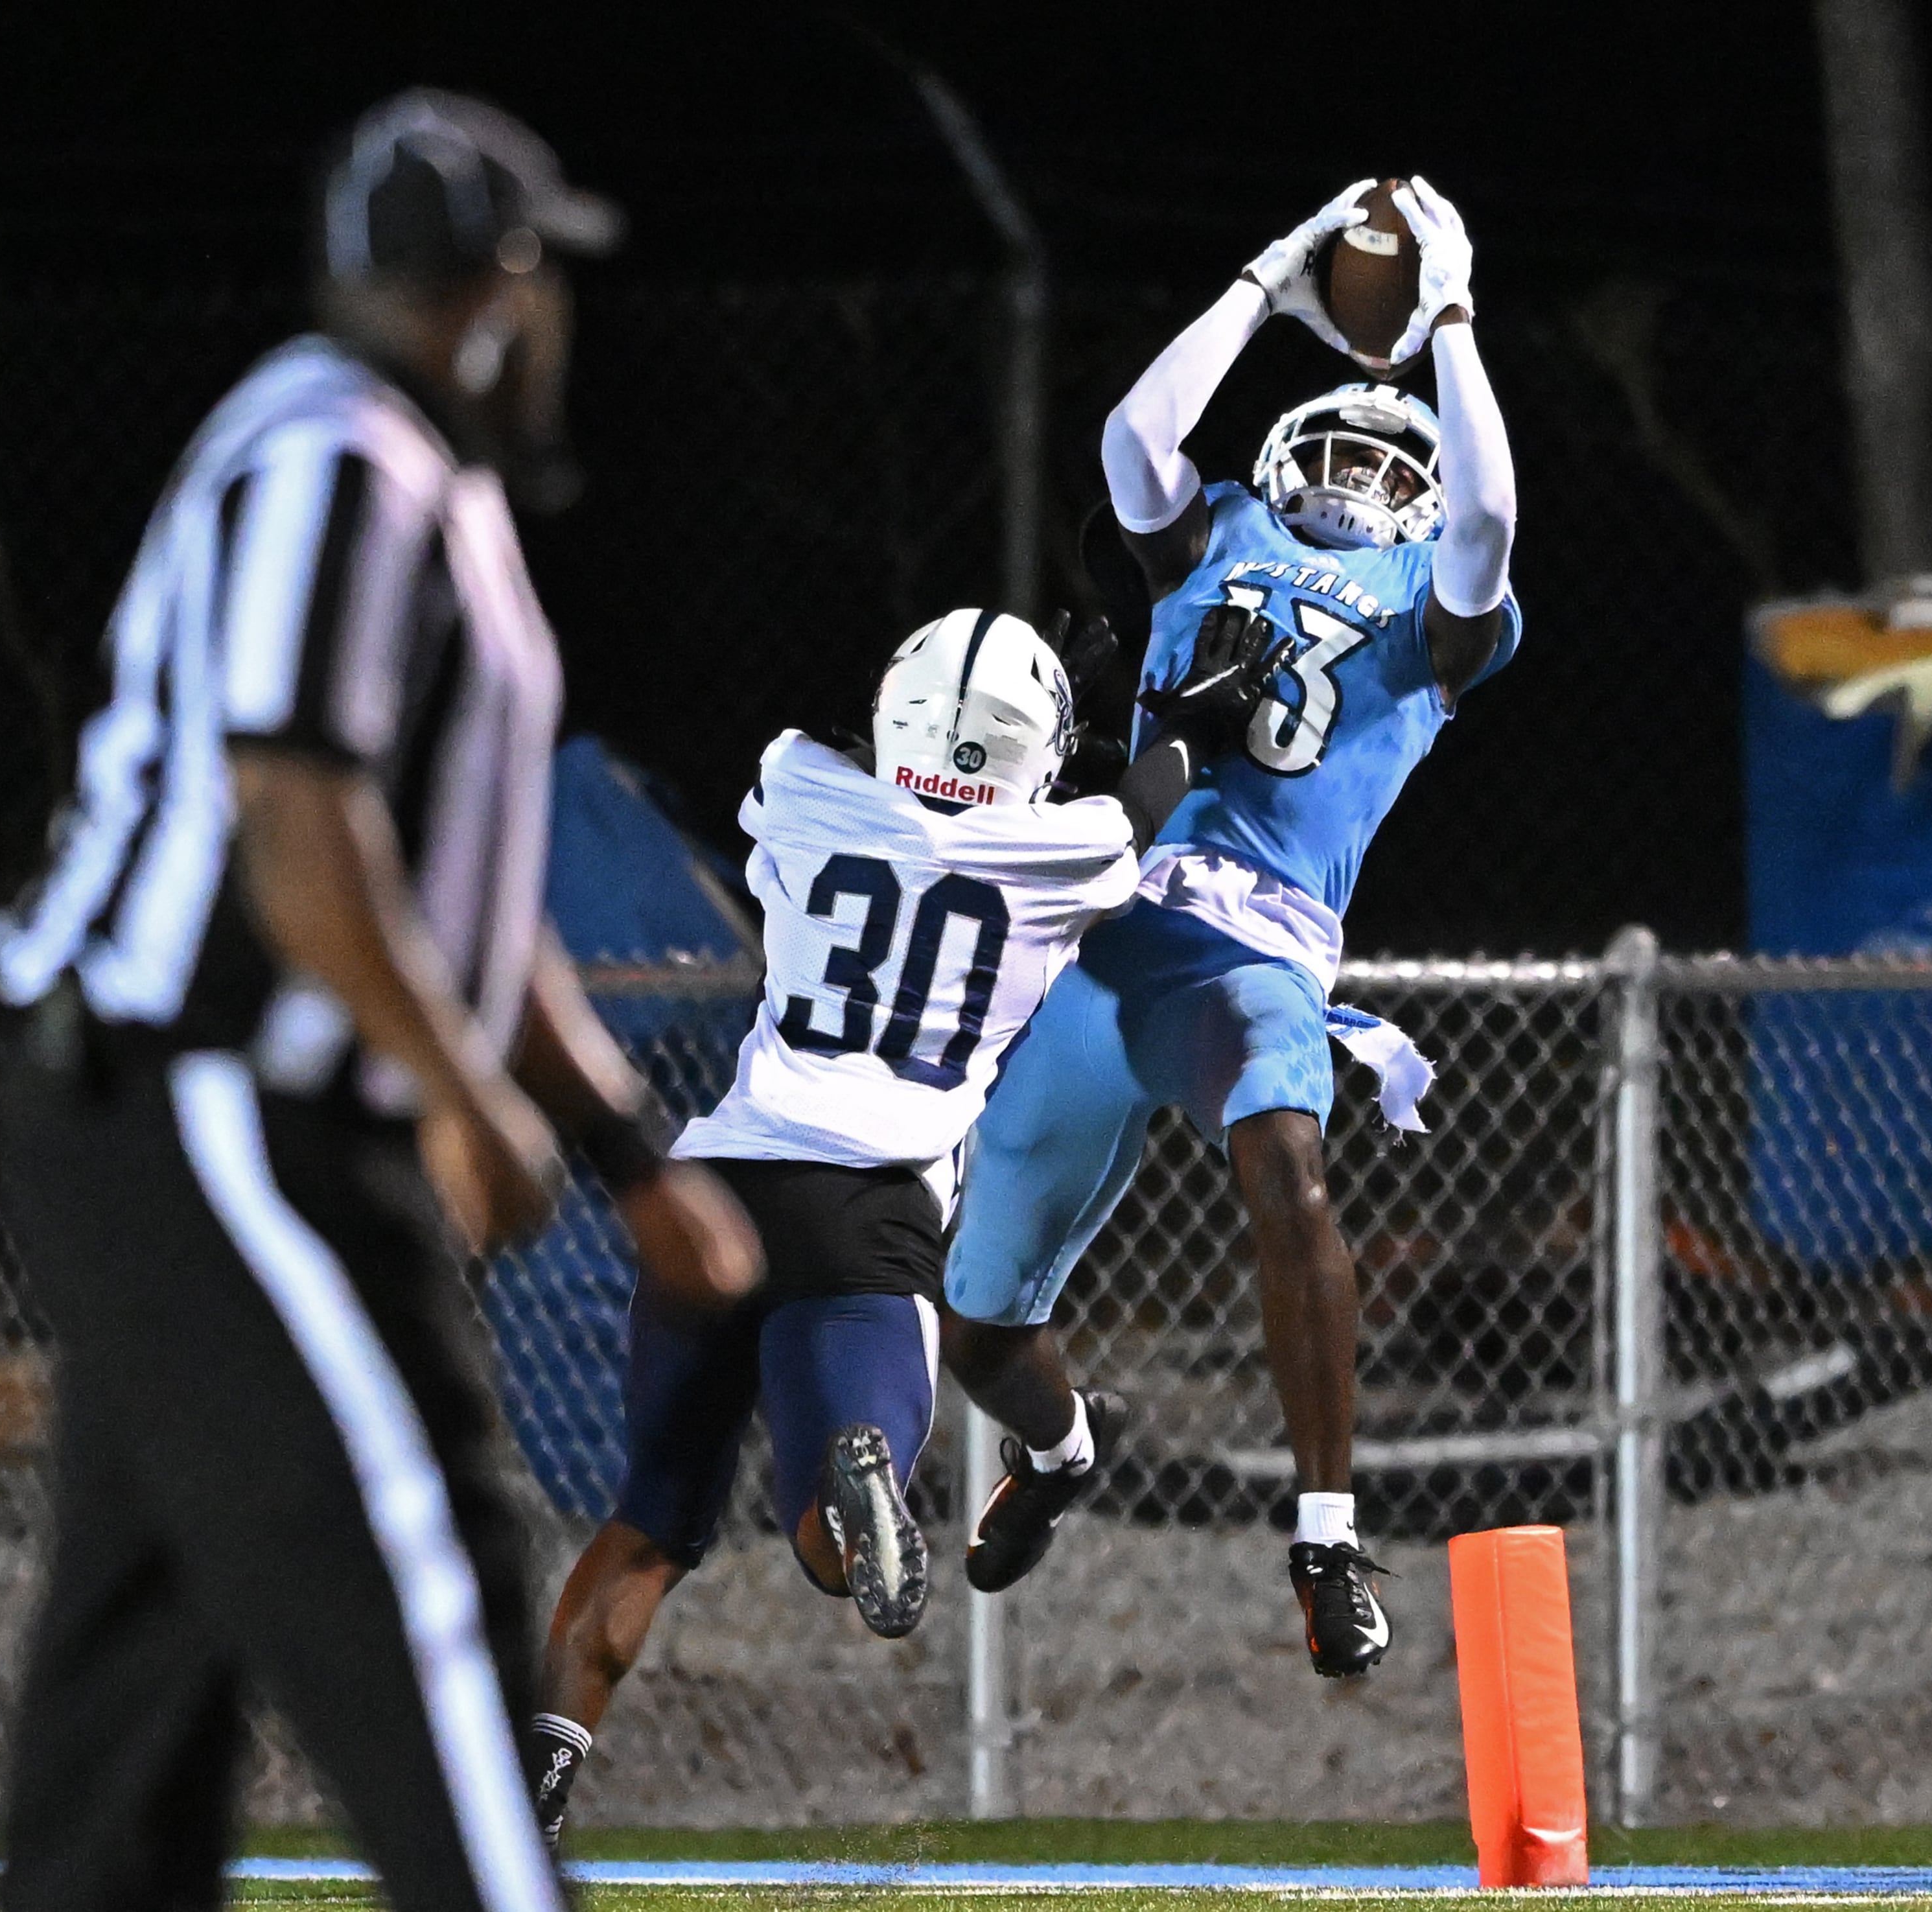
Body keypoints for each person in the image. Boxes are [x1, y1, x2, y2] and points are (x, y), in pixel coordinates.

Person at [0, 90, 758, 1911]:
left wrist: (628, 1151)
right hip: (223, 1108)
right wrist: (459, 1094)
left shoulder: (412, 483)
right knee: (430, 1574)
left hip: (193, 1117)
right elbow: (300, 826)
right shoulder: (345, 459)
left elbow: (462, 904)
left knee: (130, 1718)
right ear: (499, 286)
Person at [522, 601, 1288, 1843]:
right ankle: (850, 1473)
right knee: (837, 1546)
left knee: (651, 1518)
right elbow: (1135, 803)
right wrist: (1168, 731)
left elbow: (863, 758)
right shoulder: (1060, 856)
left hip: (720, 1181)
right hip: (869, 1200)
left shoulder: (802, 786)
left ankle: (535, 1787)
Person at [941, 176, 1523, 1679]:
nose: (1351, 470)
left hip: (1254, 956)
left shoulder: (1431, 606)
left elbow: (1493, 514)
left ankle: (1325, 1537)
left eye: (1388, 455)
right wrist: (1267, 278)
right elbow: (1135, 438)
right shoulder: (1219, 533)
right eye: (1323, 441)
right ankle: (1066, 1453)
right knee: (975, 1320)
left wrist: (1450, 313)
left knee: (1287, 1157)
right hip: (1107, 918)